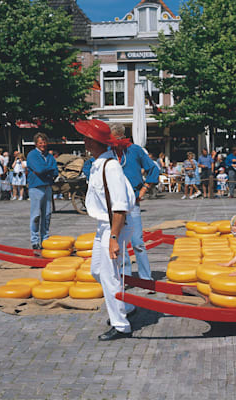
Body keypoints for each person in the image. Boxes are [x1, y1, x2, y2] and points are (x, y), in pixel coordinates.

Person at [74, 119, 136, 340]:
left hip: (114, 227)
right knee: (97, 271)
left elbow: (119, 208)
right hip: (105, 226)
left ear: (93, 142)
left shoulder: (111, 167)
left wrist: (113, 238)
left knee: (110, 276)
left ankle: (121, 325)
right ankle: (124, 306)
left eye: (87, 138)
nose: (84, 141)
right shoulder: (99, 164)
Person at [109, 124, 159, 284]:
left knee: (137, 242)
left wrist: (144, 189)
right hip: (115, 203)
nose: (114, 142)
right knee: (120, 242)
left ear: (122, 137)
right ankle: (125, 279)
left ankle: (146, 279)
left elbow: (153, 169)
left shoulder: (135, 150)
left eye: (116, 138)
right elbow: (89, 166)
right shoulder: (107, 152)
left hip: (132, 201)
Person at [27, 132, 58, 249]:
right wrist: (47, 170)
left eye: (44, 142)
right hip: (36, 187)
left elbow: (55, 171)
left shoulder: (49, 156)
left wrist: (46, 170)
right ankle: (35, 240)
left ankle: (45, 238)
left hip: (47, 186)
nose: (43, 144)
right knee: (36, 215)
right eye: (40, 142)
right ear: (36, 144)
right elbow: (39, 169)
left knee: (47, 214)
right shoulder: (32, 155)